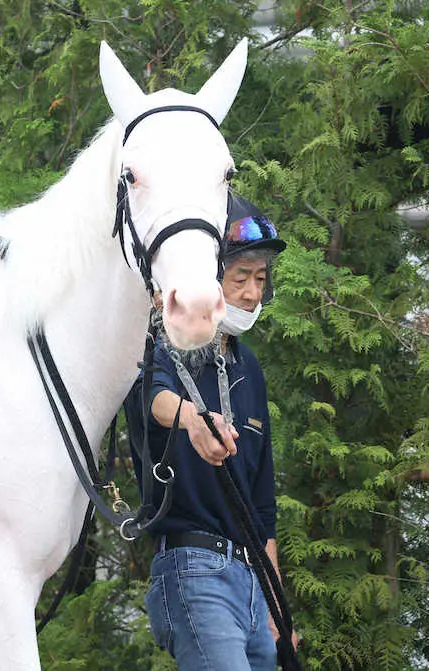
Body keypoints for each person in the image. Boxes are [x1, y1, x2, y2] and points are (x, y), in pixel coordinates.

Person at [124, 193, 296, 671]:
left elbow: (263, 506)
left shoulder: (249, 369)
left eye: (260, 279)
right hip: (193, 566)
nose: (252, 292)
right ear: (208, 279)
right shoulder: (164, 345)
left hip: (254, 580)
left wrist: (278, 608)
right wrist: (192, 420)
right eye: (240, 278)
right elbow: (149, 396)